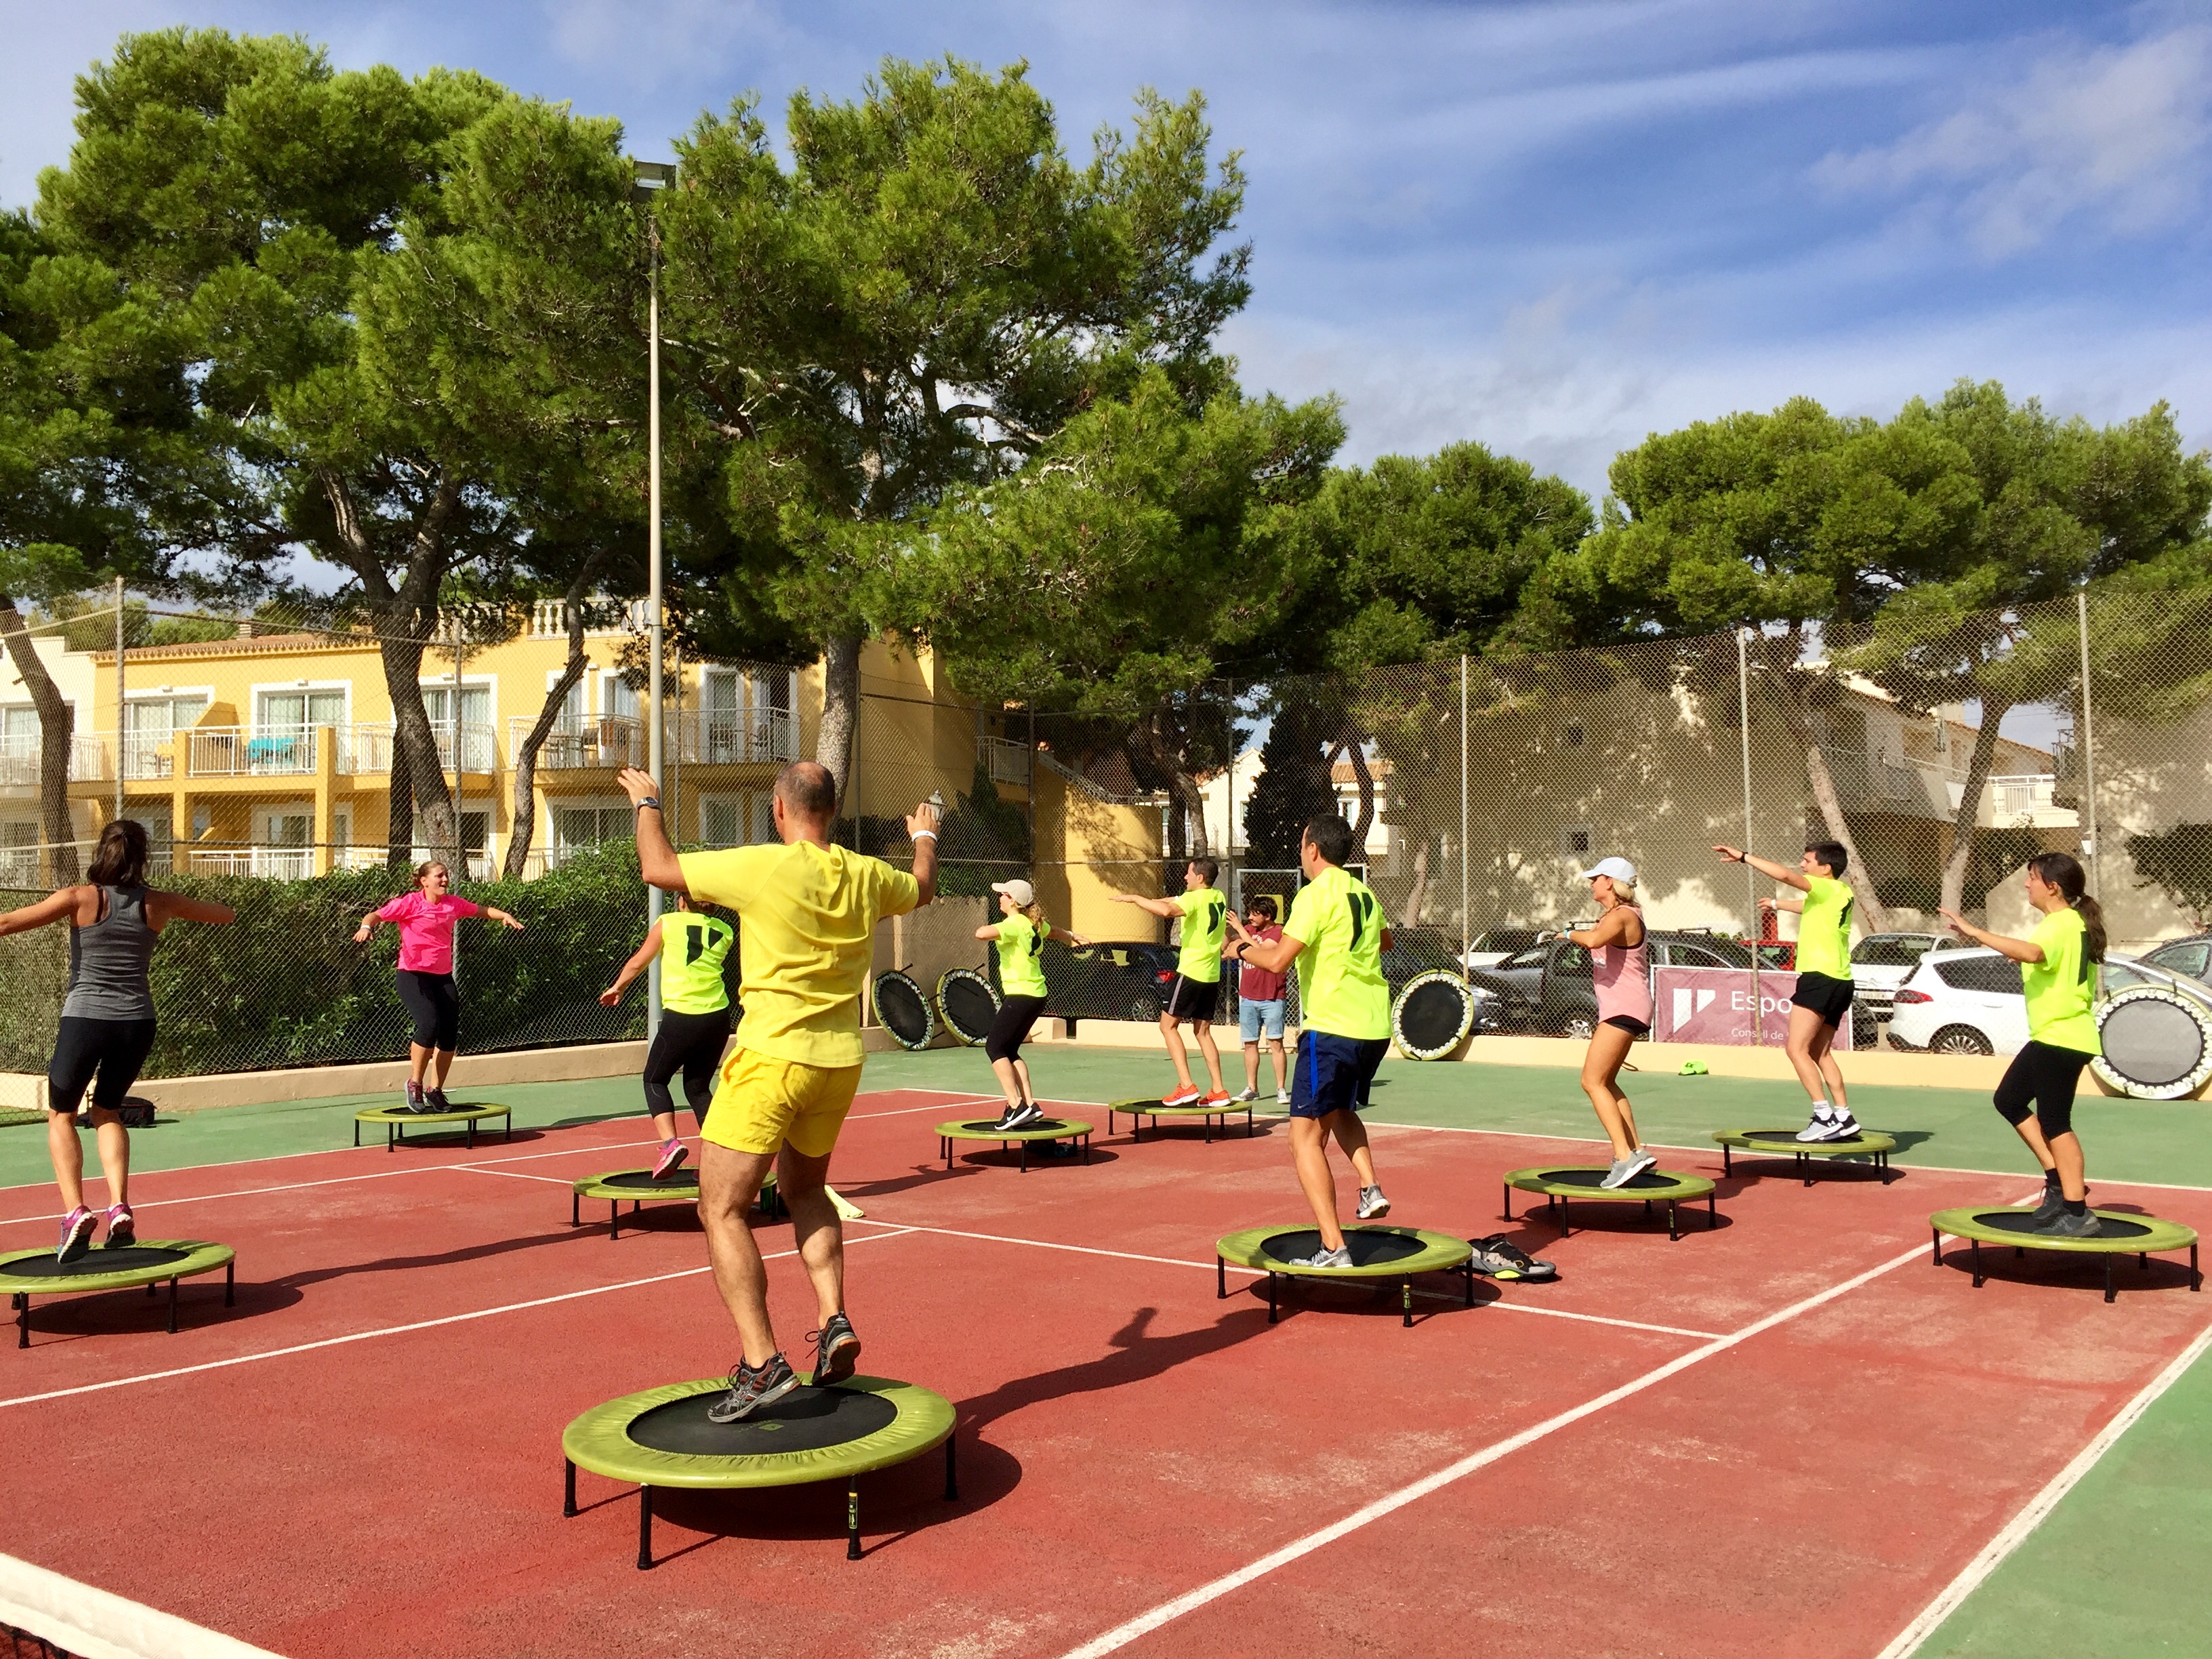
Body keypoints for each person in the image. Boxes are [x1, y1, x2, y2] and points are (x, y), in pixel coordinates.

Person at [618, 760, 937, 1422]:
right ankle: (832, 1321)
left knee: (721, 1209)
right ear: (833, 813)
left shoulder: (762, 866)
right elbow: (924, 887)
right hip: (838, 1062)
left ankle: (763, 1364)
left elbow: (659, 869)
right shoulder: (868, 875)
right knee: (804, 1191)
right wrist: (925, 834)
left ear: (779, 809)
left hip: (770, 1059)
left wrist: (648, 804)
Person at [0, 821, 234, 1264]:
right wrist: (202, 905)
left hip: (86, 1019)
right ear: (142, 857)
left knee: (61, 1116)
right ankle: (119, 1206)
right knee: (107, 1111)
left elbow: (7, 922)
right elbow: (224, 915)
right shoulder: (159, 902)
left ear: (102, 851)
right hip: (136, 1023)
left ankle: (75, 1213)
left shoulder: (81, 898)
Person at [1225, 814, 1391, 1267]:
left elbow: (1277, 961)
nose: (1302, 852)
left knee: (1302, 1142)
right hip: (1374, 1028)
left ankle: (1335, 1247)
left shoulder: (1314, 895)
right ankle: (1370, 1186)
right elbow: (1386, 941)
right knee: (1339, 1112)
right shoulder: (1364, 892)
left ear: (1313, 850)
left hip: (1333, 1027)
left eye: (1302, 845)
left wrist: (1241, 948)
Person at [1939, 853, 2107, 1237]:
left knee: (2055, 1122)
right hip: (2055, 1035)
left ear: (2053, 886)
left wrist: (1973, 930)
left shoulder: (2061, 922)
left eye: (2031, 878)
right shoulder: (2069, 924)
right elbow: (2043, 962)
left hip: (2062, 1037)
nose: (2025, 884)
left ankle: (2077, 1210)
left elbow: (2032, 952)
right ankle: (2057, 1182)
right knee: (2009, 1100)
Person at [1713, 839, 1862, 1142]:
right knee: (1821, 1052)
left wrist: (1744, 857)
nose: (1803, 865)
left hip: (1819, 978)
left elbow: (1785, 876)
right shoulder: (1841, 892)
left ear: (1825, 868)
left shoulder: (1823, 886)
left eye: (1808, 861)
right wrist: (1777, 905)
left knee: (1795, 1049)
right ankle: (1844, 1116)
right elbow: (1807, 906)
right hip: (1842, 981)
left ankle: (1823, 1116)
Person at [353, 861, 523, 1112]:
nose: (444, 880)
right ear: (424, 881)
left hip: (442, 977)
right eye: (439, 876)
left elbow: (482, 910)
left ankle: (436, 1091)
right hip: (412, 975)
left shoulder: (452, 904)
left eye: (446, 876)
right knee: (428, 1024)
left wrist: (505, 915)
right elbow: (376, 915)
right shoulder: (409, 903)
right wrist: (366, 926)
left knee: (449, 1035)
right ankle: (415, 1084)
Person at [600, 893, 735, 1180]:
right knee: (698, 1087)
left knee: (654, 1079)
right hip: (718, 1018)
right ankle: (720, 1154)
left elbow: (638, 962)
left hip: (683, 1016)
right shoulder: (725, 932)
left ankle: (671, 1144)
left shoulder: (669, 923)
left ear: (682, 902)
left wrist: (618, 987)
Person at [1111, 857, 1231, 1108]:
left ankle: (1186, 1086)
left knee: (1167, 1027)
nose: (1185, 877)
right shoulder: (1217, 897)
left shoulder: (1195, 899)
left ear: (1199, 877)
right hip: (1211, 975)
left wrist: (1135, 898)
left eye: (1189, 874)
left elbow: (1167, 911)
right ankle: (1219, 1090)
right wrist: (1148, 901)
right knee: (1203, 1031)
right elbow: (1173, 902)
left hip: (1190, 972)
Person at [973, 878, 1091, 1131]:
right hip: (1037, 995)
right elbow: (1056, 932)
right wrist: (1071, 935)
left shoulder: (1015, 924)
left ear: (1013, 901)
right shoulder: (1032, 923)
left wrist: (990, 929)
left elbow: (981, 933)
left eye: (1003, 895)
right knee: (1010, 1049)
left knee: (994, 1048)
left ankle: (1015, 1105)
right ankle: (1029, 1105)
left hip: (1021, 995)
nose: (1000, 898)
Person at [1566, 856, 1656, 1189]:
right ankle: (1636, 1150)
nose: (1591, 884)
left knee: (1591, 1082)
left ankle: (1624, 1157)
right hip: (1625, 1008)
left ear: (1610, 882)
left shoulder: (1622, 915)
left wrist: (1566, 933)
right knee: (1608, 1082)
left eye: (1596, 879)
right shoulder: (1616, 915)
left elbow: (1592, 940)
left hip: (1625, 1009)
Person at [1229, 894, 1290, 1105]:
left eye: (1255, 914)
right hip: (1248, 997)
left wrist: (1239, 929)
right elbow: (1229, 949)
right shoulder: (1249, 931)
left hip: (1272, 997)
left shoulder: (1278, 932)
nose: (1250, 918)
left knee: (1276, 1043)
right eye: (1249, 914)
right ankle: (1252, 1088)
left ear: (1268, 916)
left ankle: (1281, 1089)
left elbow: (1261, 950)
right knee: (1250, 1044)